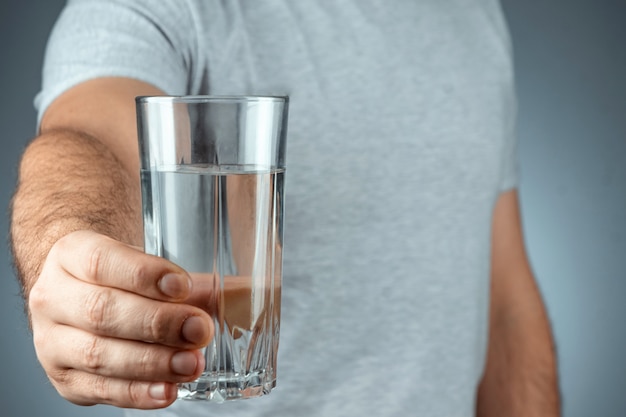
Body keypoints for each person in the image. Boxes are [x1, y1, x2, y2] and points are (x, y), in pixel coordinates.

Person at [10, 1, 560, 416]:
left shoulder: (471, 14)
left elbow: (503, 299)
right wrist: (70, 244)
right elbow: (90, 140)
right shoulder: (150, 9)